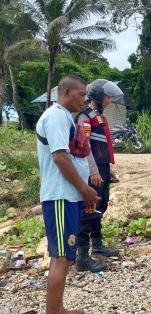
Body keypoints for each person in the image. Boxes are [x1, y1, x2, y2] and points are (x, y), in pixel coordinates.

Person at [36, 75, 101, 314]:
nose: (85, 100)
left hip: (68, 196)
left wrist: (82, 193)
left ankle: (58, 309)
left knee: (62, 256)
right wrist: (85, 189)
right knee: (62, 258)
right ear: (66, 93)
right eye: (81, 95)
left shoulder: (64, 117)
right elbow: (60, 156)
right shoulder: (55, 117)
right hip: (60, 197)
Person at [75, 79, 122, 272]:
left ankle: (98, 245)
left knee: (101, 205)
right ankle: (83, 258)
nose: (110, 99)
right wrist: (93, 170)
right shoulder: (85, 117)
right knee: (89, 209)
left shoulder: (99, 117)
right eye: (107, 96)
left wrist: (106, 168)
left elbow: (100, 146)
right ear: (97, 97)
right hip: (92, 171)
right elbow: (85, 146)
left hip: (102, 169)